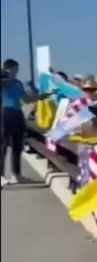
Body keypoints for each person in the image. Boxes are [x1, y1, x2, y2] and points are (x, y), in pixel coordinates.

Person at [1, 58, 42, 186]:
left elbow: (26, 99)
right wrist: (6, 77)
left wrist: (41, 96)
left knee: (17, 145)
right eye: (15, 69)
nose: (16, 72)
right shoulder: (3, 81)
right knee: (2, 145)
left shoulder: (18, 83)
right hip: (4, 113)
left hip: (17, 113)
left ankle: (16, 174)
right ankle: (1, 175)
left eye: (17, 70)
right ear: (7, 69)